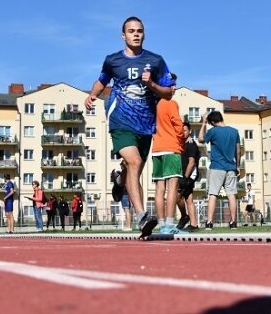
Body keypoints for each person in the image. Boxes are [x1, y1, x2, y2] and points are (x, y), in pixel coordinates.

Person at [84, 16, 176, 238]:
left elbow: (169, 92)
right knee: (134, 162)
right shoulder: (112, 60)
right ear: (123, 35)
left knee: (134, 170)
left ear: (144, 34)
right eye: (131, 30)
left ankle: (119, 179)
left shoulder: (156, 61)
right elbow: (102, 80)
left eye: (140, 31)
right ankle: (142, 216)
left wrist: (151, 84)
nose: (136, 34)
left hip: (145, 124)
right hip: (120, 120)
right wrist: (92, 95)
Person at [152, 74, 186, 234]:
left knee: (159, 188)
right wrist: (181, 141)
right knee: (172, 187)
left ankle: (161, 224)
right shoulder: (170, 103)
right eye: (172, 85)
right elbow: (178, 126)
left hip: (157, 149)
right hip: (171, 148)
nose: (174, 88)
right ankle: (170, 225)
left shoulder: (153, 105)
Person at [199, 110, 241, 230]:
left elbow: (201, 139)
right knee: (231, 195)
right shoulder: (234, 132)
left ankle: (209, 222)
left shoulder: (213, 131)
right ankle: (233, 222)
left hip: (217, 166)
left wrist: (203, 123)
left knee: (213, 194)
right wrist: (237, 165)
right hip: (231, 167)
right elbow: (238, 150)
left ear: (212, 122)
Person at [176, 122, 200, 231]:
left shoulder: (191, 144)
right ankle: (194, 224)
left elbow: (191, 162)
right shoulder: (182, 143)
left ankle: (185, 216)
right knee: (188, 199)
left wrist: (185, 178)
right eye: (181, 131)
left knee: (177, 196)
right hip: (183, 175)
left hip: (189, 176)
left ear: (189, 131)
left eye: (184, 130)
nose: (182, 132)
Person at [111, 162, 133, 231]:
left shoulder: (124, 174)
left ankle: (128, 226)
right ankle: (128, 225)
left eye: (121, 165)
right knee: (127, 210)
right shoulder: (129, 173)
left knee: (127, 210)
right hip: (126, 193)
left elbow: (122, 184)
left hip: (125, 194)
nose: (120, 167)